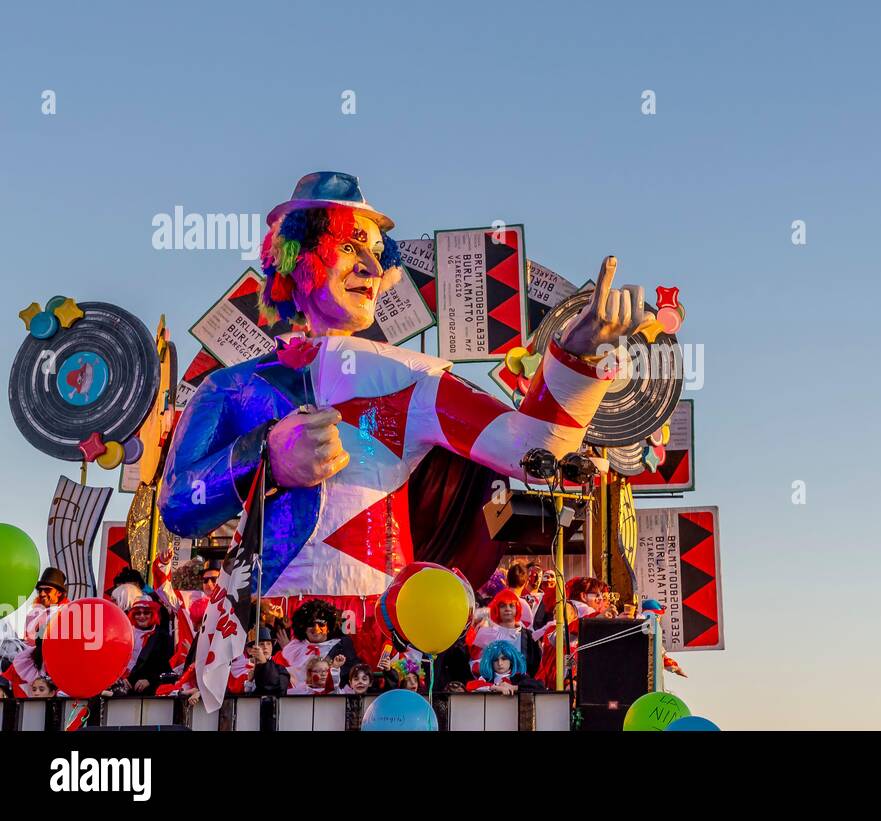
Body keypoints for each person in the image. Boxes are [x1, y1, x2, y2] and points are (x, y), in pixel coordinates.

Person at [158, 172, 644, 689]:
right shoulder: (231, 387)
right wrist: (264, 459)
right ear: (296, 257)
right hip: (257, 632)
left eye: (375, 252)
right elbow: (176, 509)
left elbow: (534, 448)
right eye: (350, 247)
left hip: (383, 632)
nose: (373, 267)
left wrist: (577, 354)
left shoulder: (412, 376)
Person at [1, 568, 67, 697]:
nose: (42, 593)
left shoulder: (67, 611)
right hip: (36, 664)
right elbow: (30, 645)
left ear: (59, 593)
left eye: (47, 590)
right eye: (40, 590)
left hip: (58, 668)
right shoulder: (34, 614)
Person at [274, 599, 358, 688]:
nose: (316, 629)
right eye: (311, 624)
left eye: (321, 624)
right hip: (296, 698)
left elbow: (349, 675)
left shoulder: (341, 646)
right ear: (303, 627)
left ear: (329, 627)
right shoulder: (294, 647)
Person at [469, 589, 540, 677]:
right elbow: (474, 665)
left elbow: (535, 665)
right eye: (503, 606)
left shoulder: (528, 636)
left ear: (517, 608)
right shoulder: (484, 633)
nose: (507, 609)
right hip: (491, 687)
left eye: (511, 605)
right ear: (496, 609)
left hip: (520, 686)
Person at [115, 598, 174, 695]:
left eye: (146, 613)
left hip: (148, 692)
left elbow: (167, 669)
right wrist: (121, 677)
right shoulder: (125, 633)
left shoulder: (163, 638)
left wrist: (150, 680)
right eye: (138, 613)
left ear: (153, 614)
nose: (142, 616)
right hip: (122, 688)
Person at [466, 640, 543, 694]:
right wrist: (496, 687)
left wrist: (514, 687)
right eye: (495, 660)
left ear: (511, 660)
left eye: (504, 659)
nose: (500, 663)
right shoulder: (487, 678)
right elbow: (470, 685)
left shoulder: (519, 676)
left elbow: (539, 686)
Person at [504, 561, 535, 628]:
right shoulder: (523, 605)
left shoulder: (496, 601)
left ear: (507, 581)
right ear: (526, 583)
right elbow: (530, 633)